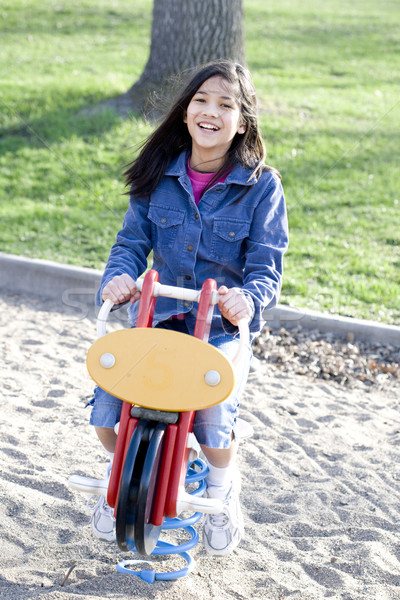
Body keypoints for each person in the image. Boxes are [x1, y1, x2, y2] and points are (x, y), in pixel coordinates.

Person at [87, 59, 289, 556]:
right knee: (106, 416)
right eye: (201, 100)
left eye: (226, 105)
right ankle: (125, 479)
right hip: (157, 315)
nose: (210, 112)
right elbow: (132, 242)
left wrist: (248, 298)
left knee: (213, 421)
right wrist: (118, 279)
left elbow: (266, 266)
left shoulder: (261, 185)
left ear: (243, 121)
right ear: (185, 111)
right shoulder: (160, 174)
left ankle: (222, 490)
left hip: (216, 324)